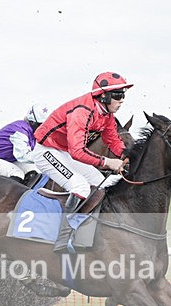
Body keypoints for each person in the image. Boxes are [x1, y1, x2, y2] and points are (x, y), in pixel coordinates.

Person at [30, 71, 132, 253]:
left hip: (64, 152)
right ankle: (62, 239)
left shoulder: (106, 115)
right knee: (81, 187)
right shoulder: (82, 112)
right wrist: (108, 162)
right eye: (118, 95)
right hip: (46, 150)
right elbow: (77, 151)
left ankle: (85, 230)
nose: (122, 100)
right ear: (104, 96)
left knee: (102, 183)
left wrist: (127, 156)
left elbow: (113, 141)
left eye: (123, 94)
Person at [0, 103, 51, 182]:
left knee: (33, 172)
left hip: (7, 160)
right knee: (17, 174)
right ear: (32, 122)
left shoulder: (34, 134)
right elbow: (22, 156)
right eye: (42, 125)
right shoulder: (20, 130)